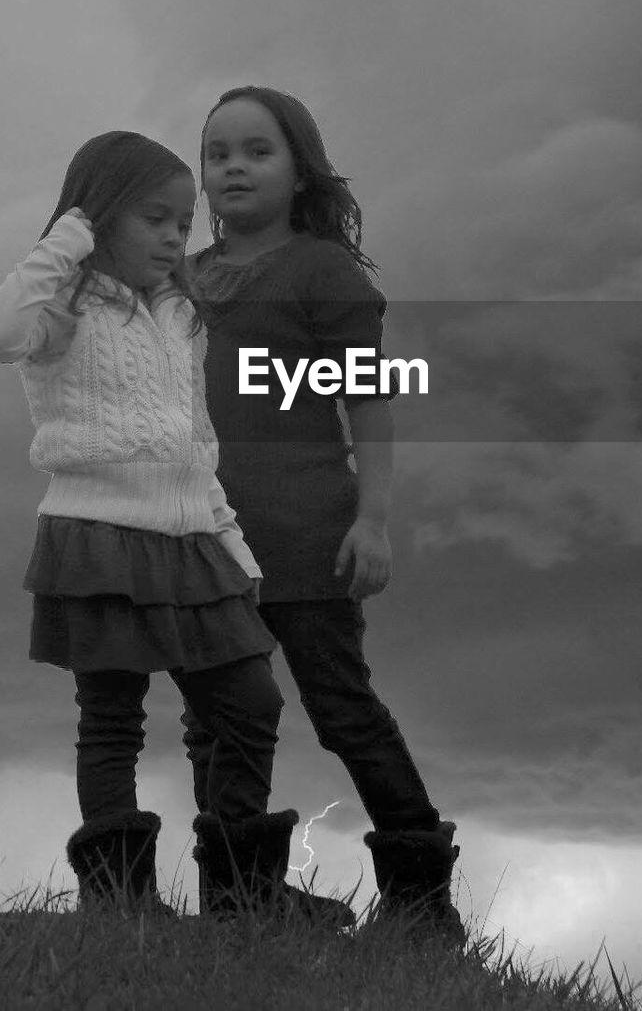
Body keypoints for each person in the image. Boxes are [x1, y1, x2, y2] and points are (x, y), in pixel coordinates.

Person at [0, 130, 351, 924]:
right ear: (100, 215)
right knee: (113, 719)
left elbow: (196, 442)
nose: (176, 235)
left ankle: (241, 891)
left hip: (193, 540)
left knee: (250, 700)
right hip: (96, 535)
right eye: (154, 217)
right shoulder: (59, 308)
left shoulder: (185, 315)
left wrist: (233, 543)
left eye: (184, 222)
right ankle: (120, 903)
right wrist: (65, 239)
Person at [181, 87, 464, 942]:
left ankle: (422, 906)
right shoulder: (183, 279)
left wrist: (372, 520)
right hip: (206, 539)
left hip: (308, 533)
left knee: (341, 707)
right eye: (217, 151)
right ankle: (238, 899)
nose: (233, 165)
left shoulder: (322, 273)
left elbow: (370, 403)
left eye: (256, 150)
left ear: (299, 170)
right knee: (217, 717)